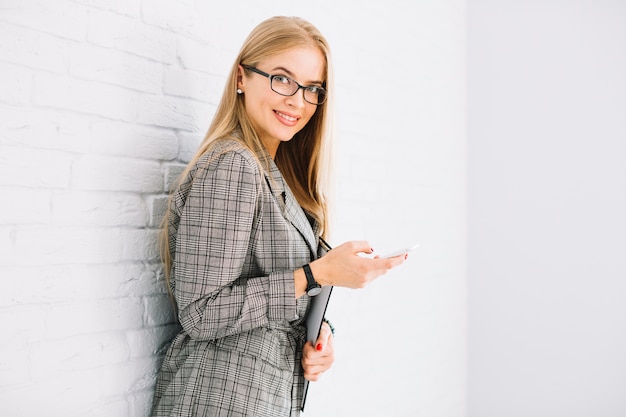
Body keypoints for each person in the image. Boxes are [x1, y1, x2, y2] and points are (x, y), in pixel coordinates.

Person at [150, 16, 407, 417]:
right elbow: (200, 312)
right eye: (282, 79)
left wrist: (319, 336)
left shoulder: (277, 175)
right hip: (219, 397)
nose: (297, 100)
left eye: (312, 88)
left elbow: (273, 303)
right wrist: (316, 274)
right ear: (241, 78)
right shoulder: (233, 165)